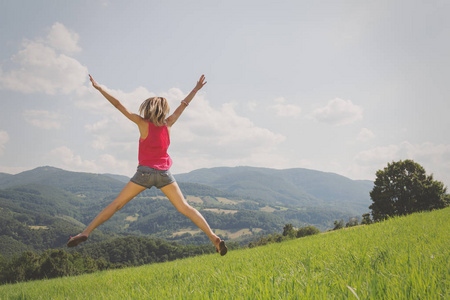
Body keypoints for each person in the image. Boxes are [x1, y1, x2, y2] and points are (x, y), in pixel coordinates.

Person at [67, 74, 227, 256]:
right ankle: (213, 237)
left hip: (143, 174)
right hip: (164, 174)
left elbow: (119, 105)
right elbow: (183, 104)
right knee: (185, 208)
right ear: (163, 110)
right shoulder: (169, 123)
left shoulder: (142, 123)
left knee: (117, 204)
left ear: (148, 109)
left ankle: (86, 232)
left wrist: (100, 88)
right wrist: (196, 89)